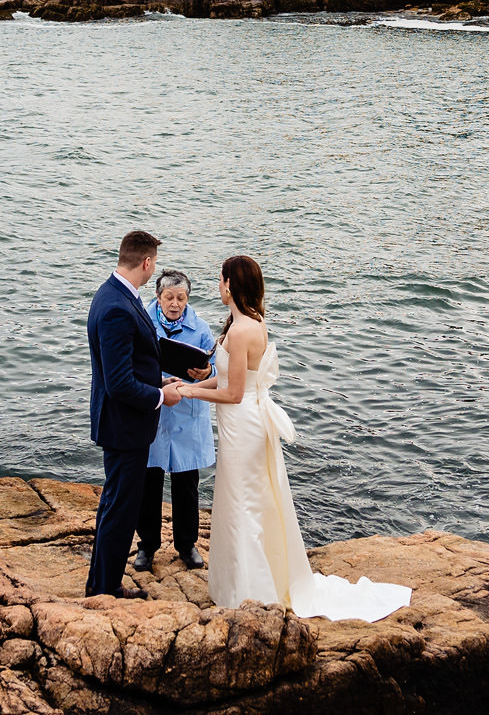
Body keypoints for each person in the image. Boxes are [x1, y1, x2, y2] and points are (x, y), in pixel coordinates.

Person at [166, 254, 411, 622]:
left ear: (231, 284)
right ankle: (246, 580)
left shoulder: (239, 330)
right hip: (246, 418)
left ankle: (247, 589)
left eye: (220, 279)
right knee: (248, 497)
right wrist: (196, 383)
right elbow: (233, 379)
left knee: (242, 502)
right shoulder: (252, 322)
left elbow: (233, 393)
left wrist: (188, 393)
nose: (218, 285)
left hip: (242, 421)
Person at [84, 229, 181, 598]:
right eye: (153, 262)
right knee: (120, 510)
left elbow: (128, 364)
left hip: (123, 423)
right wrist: (161, 396)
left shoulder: (116, 295)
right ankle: (105, 589)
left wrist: (159, 377)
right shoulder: (116, 308)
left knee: (115, 505)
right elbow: (120, 383)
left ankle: (100, 582)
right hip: (124, 425)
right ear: (146, 262)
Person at [133, 269, 215, 573]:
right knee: (148, 482)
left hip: (186, 416)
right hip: (154, 410)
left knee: (186, 484)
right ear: (158, 296)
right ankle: (147, 546)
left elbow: (219, 371)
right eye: (169, 297)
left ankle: (186, 544)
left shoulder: (202, 328)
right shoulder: (142, 322)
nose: (175, 304)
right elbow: (130, 364)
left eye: (181, 298)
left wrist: (207, 374)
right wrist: (158, 378)